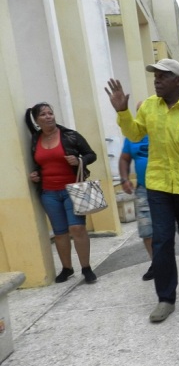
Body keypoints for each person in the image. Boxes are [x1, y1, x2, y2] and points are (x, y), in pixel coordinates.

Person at [104, 58, 179, 323]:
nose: (156, 81)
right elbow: (134, 135)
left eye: (162, 77)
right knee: (162, 242)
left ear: (177, 81)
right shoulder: (148, 107)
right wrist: (123, 112)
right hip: (157, 187)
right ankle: (165, 298)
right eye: (155, 76)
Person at [27, 102, 98, 284]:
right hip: (48, 193)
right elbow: (39, 163)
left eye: (50, 113)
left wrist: (79, 159)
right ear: (37, 120)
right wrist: (36, 174)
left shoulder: (69, 135)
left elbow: (91, 154)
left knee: (77, 228)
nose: (48, 116)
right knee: (59, 232)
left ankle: (86, 268)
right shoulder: (35, 139)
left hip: (72, 189)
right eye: (43, 114)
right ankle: (67, 269)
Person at [119, 134, 154, 281]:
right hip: (143, 189)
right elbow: (124, 158)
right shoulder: (132, 135)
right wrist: (124, 179)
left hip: (168, 188)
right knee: (146, 230)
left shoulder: (162, 126)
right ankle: (157, 263)